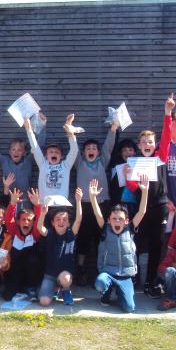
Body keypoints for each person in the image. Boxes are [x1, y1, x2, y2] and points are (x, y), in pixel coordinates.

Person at [125, 94, 175, 297]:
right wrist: (130, 179)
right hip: (141, 207)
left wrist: (168, 112)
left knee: (157, 244)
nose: (147, 144)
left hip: (160, 206)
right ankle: (135, 277)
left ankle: (153, 281)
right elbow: (132, 187)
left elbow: (166, 136)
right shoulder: (134, 162)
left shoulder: (160, 157)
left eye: (151, 142)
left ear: (155, 145)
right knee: (138, 243)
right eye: (144, 141)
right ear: (139, 145)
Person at [90, 174, 149, 313]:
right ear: (109, 220)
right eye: (114, 218)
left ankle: (120, 292)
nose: (117, 221)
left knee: (129, 308)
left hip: (125, 275)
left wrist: (145, 191)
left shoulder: (130, 229)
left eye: (120, 219)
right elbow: (98, 214)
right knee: (100, 283)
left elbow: (142, 211)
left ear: (126, 221)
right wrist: (93, 198)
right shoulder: (105, 229)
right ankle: (107, 292)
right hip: (108, 273)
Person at [74, 120, 117, 285]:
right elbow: (73, 150)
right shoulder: (79, 162)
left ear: (98, 152)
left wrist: (113, 128)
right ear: (83, 152)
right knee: (83, 239)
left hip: (102, 204)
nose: (91, 150)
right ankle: (81, 269)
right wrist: (71, 133)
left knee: (101, 238)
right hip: (84, 205)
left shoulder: (102, 161)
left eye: (94, 148)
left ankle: (103, 271)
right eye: (88, 148)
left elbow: (108, 146)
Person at [0, 113, 46, 208]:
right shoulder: (4, 161)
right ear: (9, 151)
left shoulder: (28, 160)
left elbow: (39, 146)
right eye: (13, 149)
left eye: (19, 150)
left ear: (24, 152)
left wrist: (43, 126)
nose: (16, 152)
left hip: (26, 202)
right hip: (10, 202)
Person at [36, 187, 83, 306]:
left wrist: (78, 201)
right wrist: (43, 213)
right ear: (52, 222)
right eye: (58, 219)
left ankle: (66, 290)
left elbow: (78, 220)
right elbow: (39, 227)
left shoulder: (71, 233)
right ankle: (55, 290)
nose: (61, 222)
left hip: (64, 274)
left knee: (65, 278)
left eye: (64, 219)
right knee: (44, 302)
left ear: (68, 223)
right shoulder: (50, 233)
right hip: (50, 274)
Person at [25, 114, 79, 207]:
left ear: (62, 156)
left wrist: (70, 132)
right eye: (51, 152)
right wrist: (29, 129)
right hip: (44, 206)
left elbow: (74, 150)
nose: (54, 153)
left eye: (57, 152)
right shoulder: (43, 164)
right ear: (46, 155)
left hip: (62, 206)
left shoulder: (66, 166)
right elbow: (35, 147)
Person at [2, 188, 43, 301]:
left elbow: (39, 220)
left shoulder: (35, 233)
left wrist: (37, 205)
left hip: (32, 274)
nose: (26, 222)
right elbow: (8, 218)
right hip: (16, 272)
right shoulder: (14, 231)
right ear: (18, 221)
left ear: (33, 222)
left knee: (33, 259)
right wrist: (13, 203)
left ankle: (31, 288)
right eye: (23, 219)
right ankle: (19, 288)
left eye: (29, 220)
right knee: (7, 297)